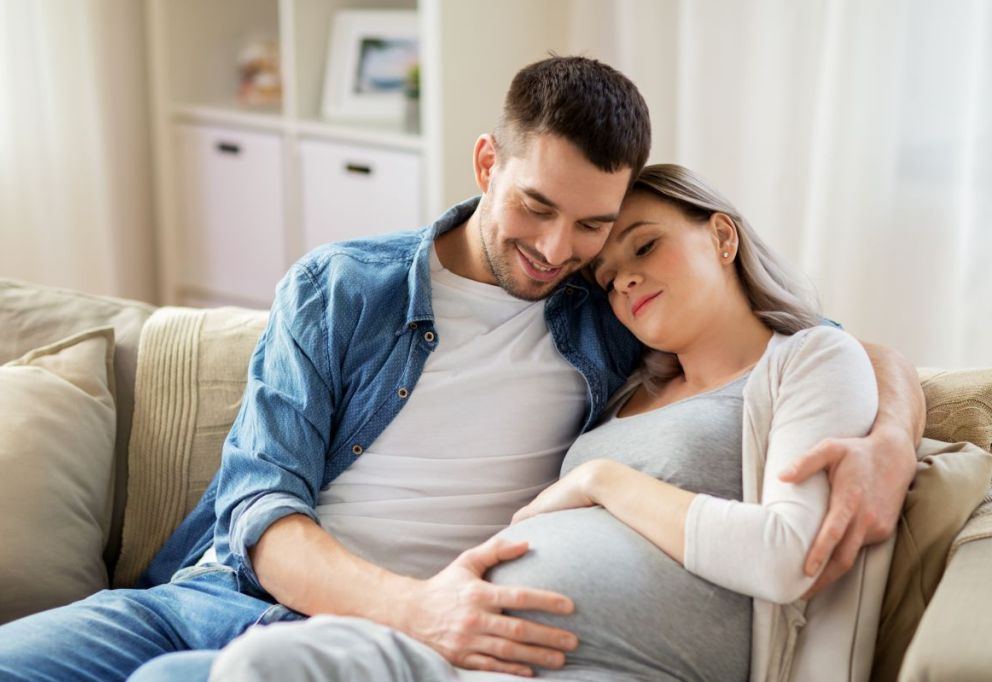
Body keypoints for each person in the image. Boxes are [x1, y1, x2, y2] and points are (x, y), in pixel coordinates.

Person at [0, 58, 921, 682]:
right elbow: (258, 513)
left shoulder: (611, 307)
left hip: (380, 652)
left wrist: (887, 435)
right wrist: (424, 608)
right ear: (485, 164)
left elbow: (796, 335)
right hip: (218, 598)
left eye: (594, 224)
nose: (558, 248)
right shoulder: (344, 287)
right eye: (536, 206)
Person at [199, 164, 897, 682]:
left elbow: (786, 554)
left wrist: (602, 480)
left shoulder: (801, 362)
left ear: (721, 235)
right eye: (607, 273)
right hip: (461, 641)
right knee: (258, 666)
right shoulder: (624, 383)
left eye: (645, 247)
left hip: (609, 663)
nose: (621, 278)